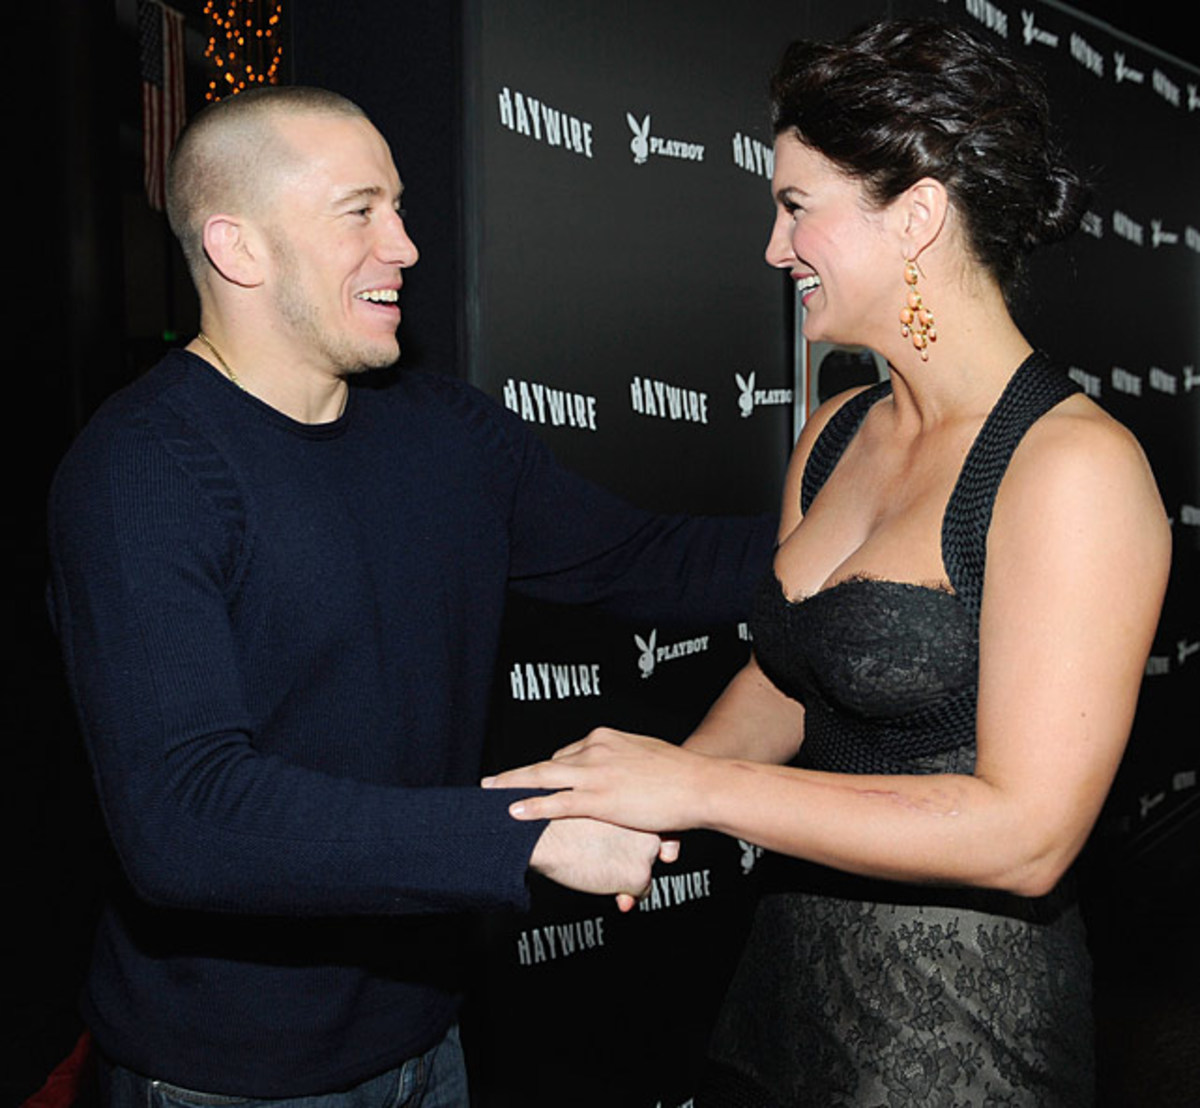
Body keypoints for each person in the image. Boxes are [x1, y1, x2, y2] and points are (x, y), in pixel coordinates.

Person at [484, 18, 1171, 1106]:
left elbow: (1027, 833)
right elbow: (793, 671)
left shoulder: (1072, 467)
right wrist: (648, 800)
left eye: (798, 207)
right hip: (785, 999)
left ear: (919, 218)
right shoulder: (838, 429)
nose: (772, 247)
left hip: (958, 1039)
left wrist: (701, 787)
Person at [46, 86, 773, 1105]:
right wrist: (525, 829)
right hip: (229, 1076)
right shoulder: (143, 472)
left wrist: (907, 529)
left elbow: (655, 561)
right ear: (239, 248)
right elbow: (185, 817)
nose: (405, 245)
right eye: (360, 211)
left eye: (398, 205)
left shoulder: (448, 436)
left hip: (430, 1038)